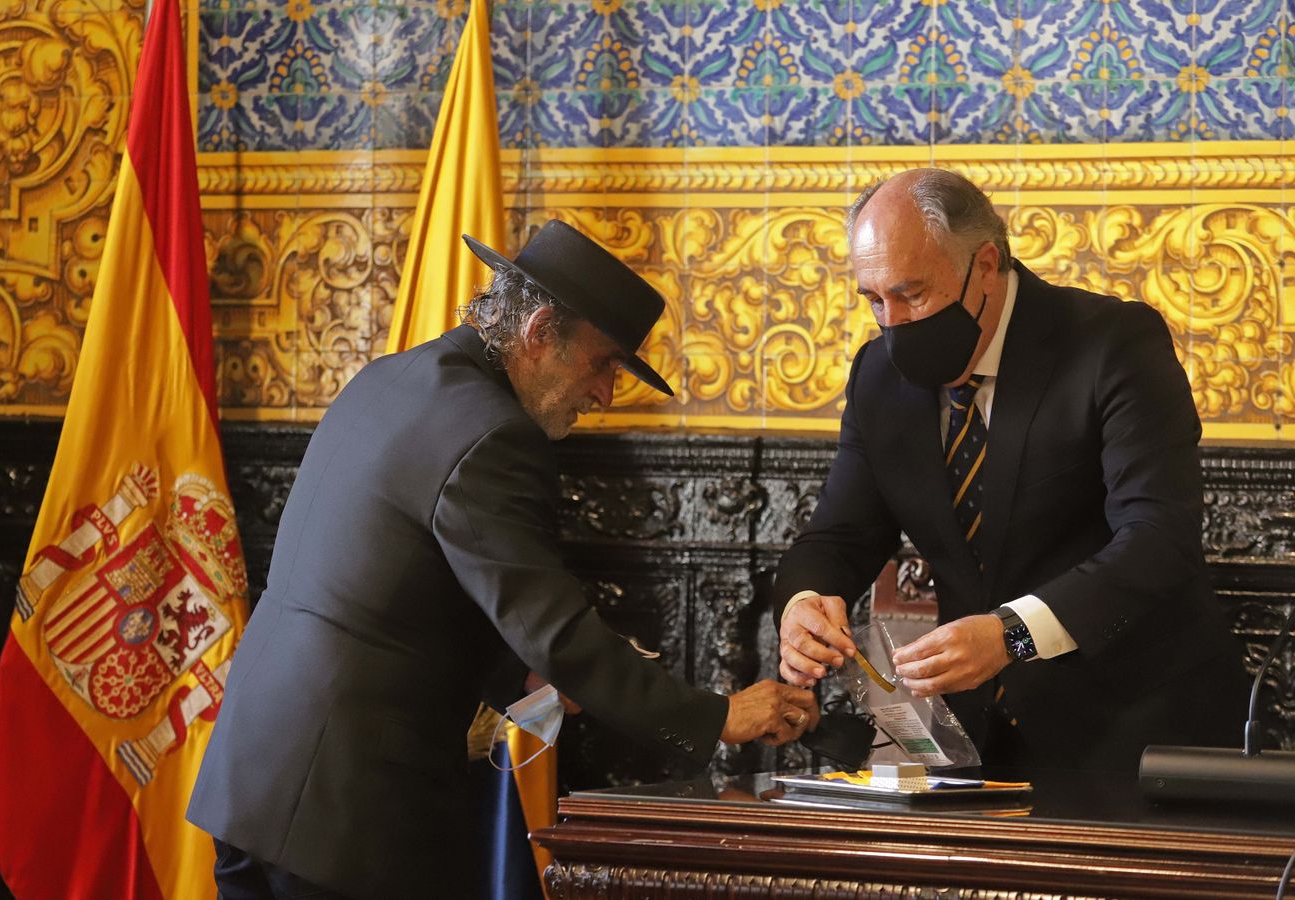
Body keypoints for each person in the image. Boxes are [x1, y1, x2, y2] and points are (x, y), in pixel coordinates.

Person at [188, 220, 819, 900]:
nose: (605, 394)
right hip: (344, 809)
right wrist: (719, 715)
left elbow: (400, 589)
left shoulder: (393, 377)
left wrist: (527, 683)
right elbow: (558, 635)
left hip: (255, 779)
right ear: (541, 331)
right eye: (605, 362)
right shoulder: (493, 433)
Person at [772, 168, 1245, 773]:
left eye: (912, 294)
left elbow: (1159, 540)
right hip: (970, 744)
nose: (891, 322)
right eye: (873, 300)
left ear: (986, 265)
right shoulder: (877, 375)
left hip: (1136, 728)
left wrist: (1012, 634)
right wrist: (805, 604)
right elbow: (839, 537)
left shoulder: (1112, 343)